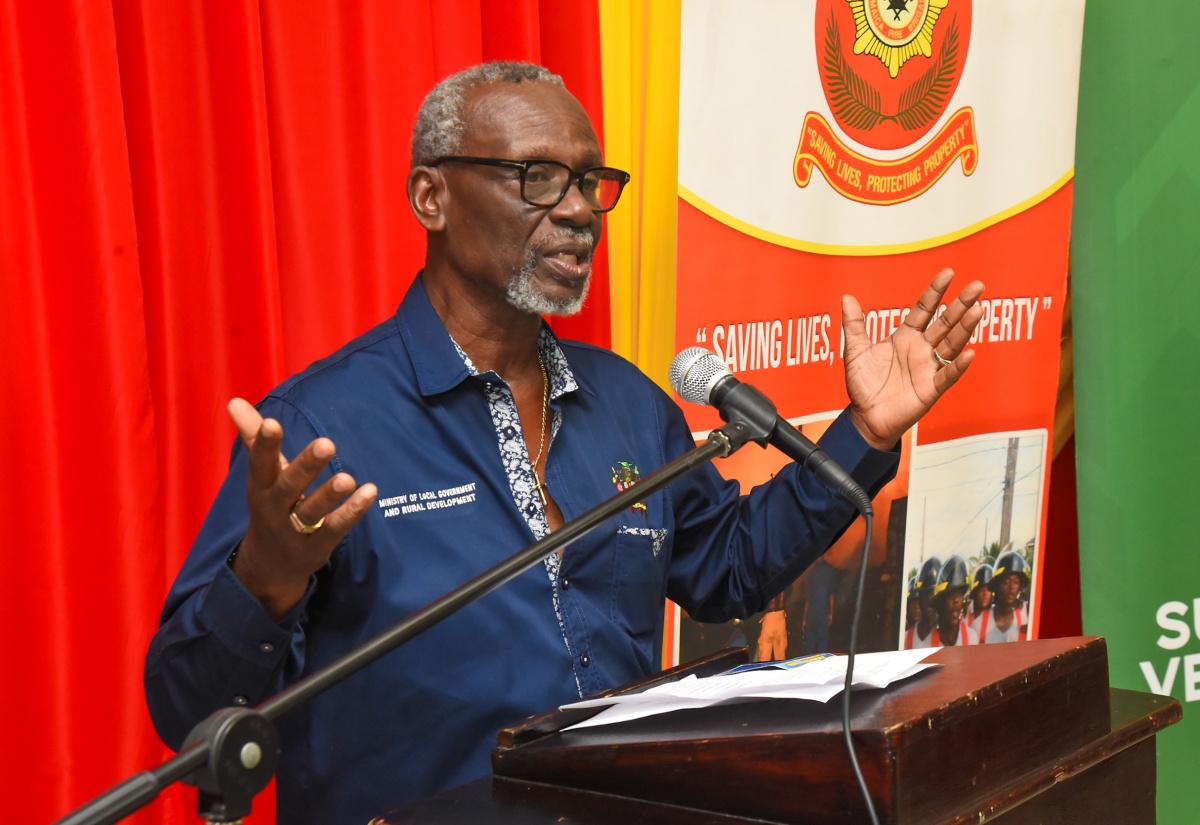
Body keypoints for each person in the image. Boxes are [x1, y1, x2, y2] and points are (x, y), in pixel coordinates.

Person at [144, 61, 985, 824]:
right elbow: (188, 713)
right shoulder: (325, 427)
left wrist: (866, 432)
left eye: (589, 181)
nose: (579, 209)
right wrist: (264, 580)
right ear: (432, 197)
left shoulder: (627, 402)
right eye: (537, 177)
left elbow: (729, 567)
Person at [974, 549, 1031, 643]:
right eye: (1006, 582)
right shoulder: (978, 625)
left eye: (1016, 582)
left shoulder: (1026, 618)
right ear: (997, 585)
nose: (1012, 587)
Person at [927, 555, 978, 646]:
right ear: (940, 602)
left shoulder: (972, 638)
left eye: (959, 593)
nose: (956, 600)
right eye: (950, 594)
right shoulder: (927, 644)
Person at [905, 556, 943, 649]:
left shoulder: (948, 636)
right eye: (926, 593)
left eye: (933, 594)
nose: (929, 599)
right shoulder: (906, 637)